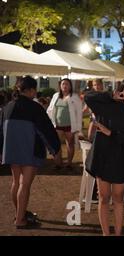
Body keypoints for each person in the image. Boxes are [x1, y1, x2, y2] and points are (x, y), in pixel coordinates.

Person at [84, 78, 124, 236]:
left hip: (121, 159)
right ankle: (106, 233)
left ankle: (118, 233)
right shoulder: (110, 106)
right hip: (103, 156)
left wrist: (111, 133)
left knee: (118, 197)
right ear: (122, 93)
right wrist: (110, 95)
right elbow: (88, 97)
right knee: (103, 197)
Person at [1, 76, 61, 229]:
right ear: (32, 90)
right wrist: (56, 151)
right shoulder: (35, 108)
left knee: (16, 183)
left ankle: (20, 213)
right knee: (25, 185)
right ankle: (20, 220)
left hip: (12, 150)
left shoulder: (8, 107)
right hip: (30, 150)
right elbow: (46, 131)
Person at [47, 78, 83, 170]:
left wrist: (79, 128)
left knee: (69, 144)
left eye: (67, 84)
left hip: (70, 126)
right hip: (57, 125)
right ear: (60, 86)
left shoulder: (74, 97)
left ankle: (69, 163)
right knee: (56, 144)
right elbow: (50, 109)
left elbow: (79, 112)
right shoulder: (56, 96)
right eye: (63, 84)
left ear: (70, 86)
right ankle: (58, 163)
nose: (65, 86)